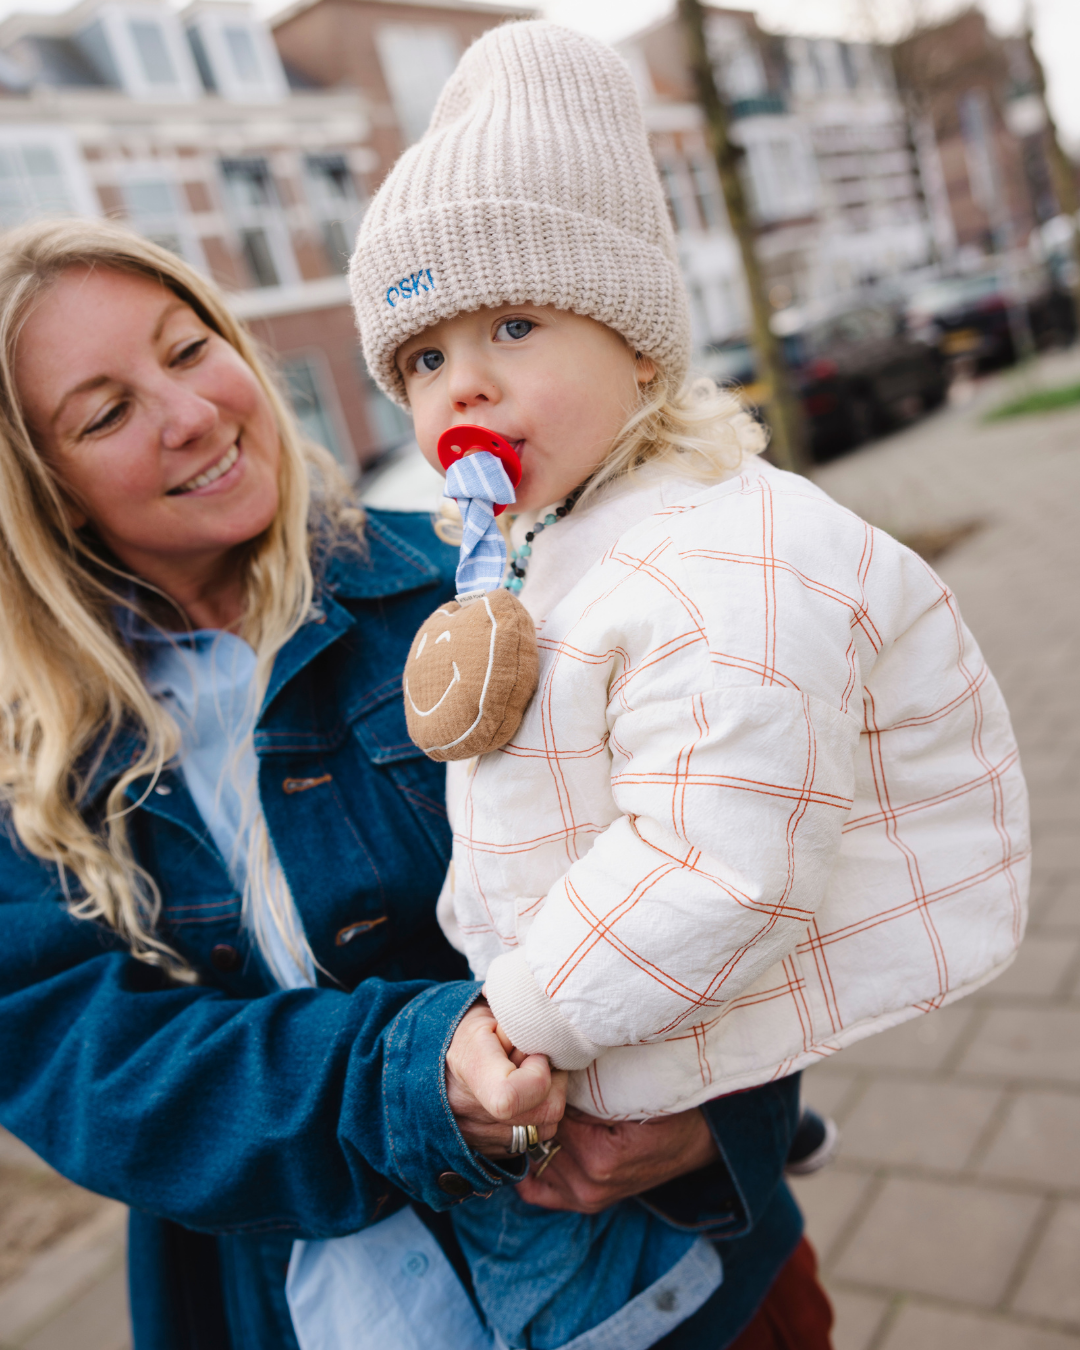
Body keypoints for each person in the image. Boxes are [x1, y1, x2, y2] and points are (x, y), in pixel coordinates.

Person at [0, 217, 828, 1350]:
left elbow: (730, 856)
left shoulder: (485, 586)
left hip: (684, 1300)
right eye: (106, 412)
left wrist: (729, 1117)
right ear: (43, 493)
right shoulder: (35, 772)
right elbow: (79, 1063)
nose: (192, 415)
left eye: (189, 350)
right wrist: (410, 1077)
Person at [350, 20, 1031, 1350]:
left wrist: (524, 1012)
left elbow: (721, 851)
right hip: (603, 1042)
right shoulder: (568, 541)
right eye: (422, 358)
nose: (462, 381)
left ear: (642, 345)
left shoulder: (718, 553)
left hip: (593, 1055)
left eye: (513, 321)